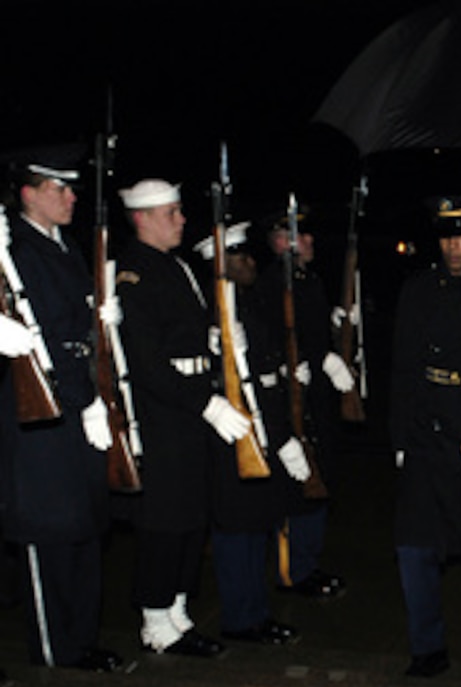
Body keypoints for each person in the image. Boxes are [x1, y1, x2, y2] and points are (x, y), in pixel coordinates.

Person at [0, 147, 123, 672]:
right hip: (40, 416)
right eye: (60, 189)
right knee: (48, 530)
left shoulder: (67, 247)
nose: (72, 197)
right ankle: (56, 648)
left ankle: (81, 638)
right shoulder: (13, 249)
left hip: (78, 403)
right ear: (29, 193)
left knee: (83, 526)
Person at [116, 178, 240, 657]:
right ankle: (154, 619)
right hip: (165, 413)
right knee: (164, 521)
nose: (181, 220)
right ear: (142, 218)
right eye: (171, 213)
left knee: (192, 515)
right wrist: (204, 402)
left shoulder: (179, 267)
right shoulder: (134, 273)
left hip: (192, 408)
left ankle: (178, 609)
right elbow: (146, 363)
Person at [390, 197, 461, 677]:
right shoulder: (419, 288)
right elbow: (403, 367)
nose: (453, 244)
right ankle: (426, 646)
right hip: (426, 433)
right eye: (447, 234)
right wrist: (400, 442)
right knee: (413, 546)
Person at [192, 222, 301, 645]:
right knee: (237, 531)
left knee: (257, 525)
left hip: (262, 431)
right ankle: (240, 618)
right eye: (240, 256)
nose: (251, 262)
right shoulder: (210, 315)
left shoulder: (249, 307)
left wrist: (283, 434)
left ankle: (255, 611)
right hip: (230, 436)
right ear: (221, 264)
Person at [256, 209, 350, 599]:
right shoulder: (270, 285)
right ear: (276, 241)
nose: (306, 242)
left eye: (308, 235)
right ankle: (292, 570)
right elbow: (271, 338)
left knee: (318, 474)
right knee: (295, 484)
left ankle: (308, 562)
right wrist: (314, 358)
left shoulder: (308, 281)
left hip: (316, 396)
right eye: (296, 234)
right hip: (289, 393)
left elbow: (312, 331)